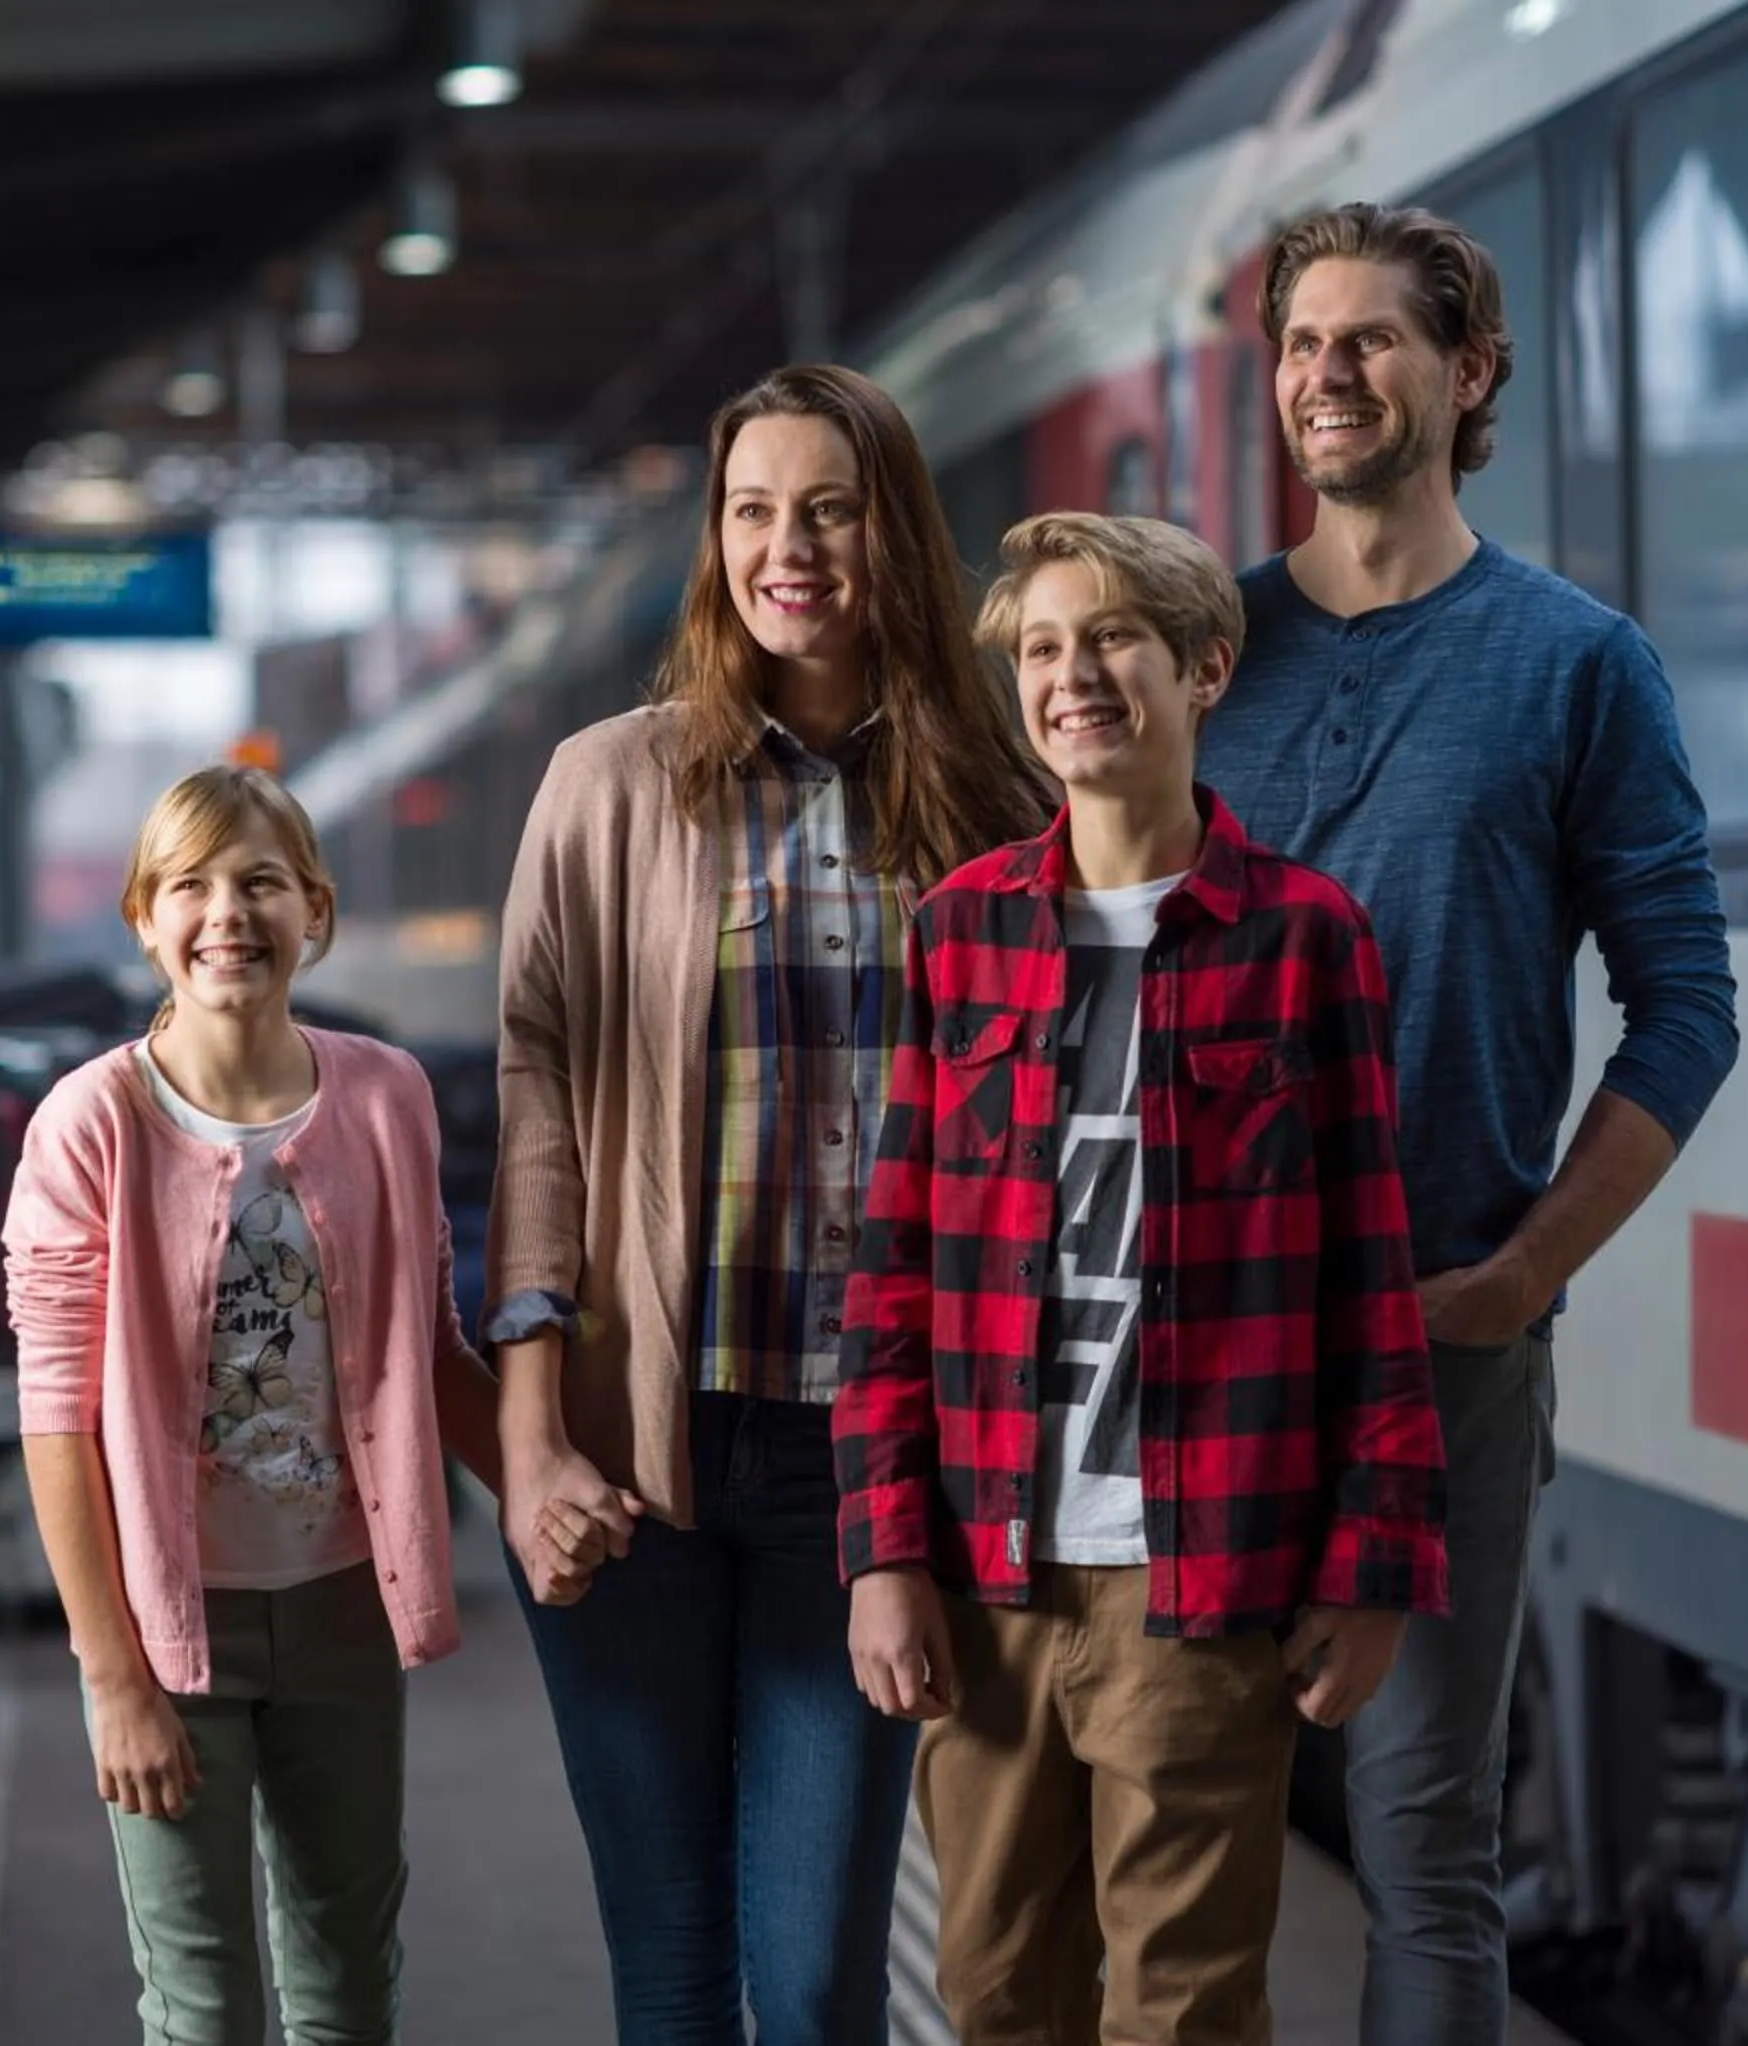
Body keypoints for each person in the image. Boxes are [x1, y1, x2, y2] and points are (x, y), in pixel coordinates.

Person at [1198, 202, 1741, 2045]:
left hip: (1442, 1345)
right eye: (1300, 343)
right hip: (1191, 1352)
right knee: (1174, 1839)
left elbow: (1686, 1011)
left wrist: (1520, 1278)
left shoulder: (1580, 665)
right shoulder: (1200, 652)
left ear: (1471, 370)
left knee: (1425, 1857)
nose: (1326, 375)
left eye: (1370, 340)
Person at [484, 362, 1052, 2045]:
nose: (786, 548)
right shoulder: (607, 786)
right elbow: (535, 1116)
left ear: (897, 531)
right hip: (629, 1454)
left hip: (863, 1472)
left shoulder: (993, 802)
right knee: (669, 1977)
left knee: (812, 1988)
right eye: (750, 511)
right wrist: (528, 1450)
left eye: (827, 508)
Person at [836, 509, 1449, 2044]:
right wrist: (881, 1552)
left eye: (1112, 637)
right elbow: (894, 1274)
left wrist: (1371, 1571)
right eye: (1044, 647)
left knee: (1182, 2010)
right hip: (987, 1576)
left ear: (1206, 669)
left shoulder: (1306, 939)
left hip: (1199, 1571)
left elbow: (1373, 1278)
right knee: (988, 1995)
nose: (1074, 675)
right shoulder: (958, 932)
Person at [4, 765, 541, 2046]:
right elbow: (56, 1420)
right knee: (202, 2006)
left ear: (317, 910)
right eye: (189, 885)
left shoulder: (384, 1097)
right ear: (145, 918)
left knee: (350, 1989)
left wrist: (542, 1492)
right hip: (170, 1631)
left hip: (343, 1606)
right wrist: (112, 1676)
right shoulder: (93, 1125)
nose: (226, 913)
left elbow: (430, 1349)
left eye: (259, 882)